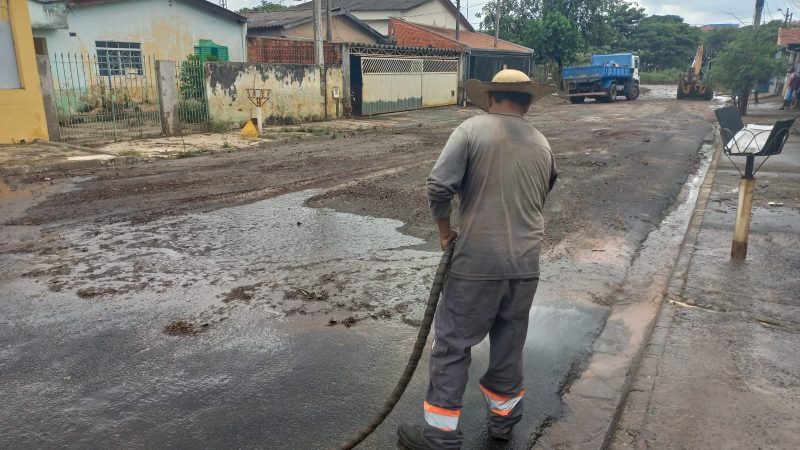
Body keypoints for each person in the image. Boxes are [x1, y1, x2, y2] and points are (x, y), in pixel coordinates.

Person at [397, 69, 558, 450]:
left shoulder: (471, 130)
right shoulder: (542, 143)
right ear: (529, 104)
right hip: (525, 264)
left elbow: (438, 186)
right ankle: (503, 425)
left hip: (477, 263)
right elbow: (543, 190)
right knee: (508, 344)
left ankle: (439, 436)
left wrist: (443, 231)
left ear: (489, 99)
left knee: (453, 344)